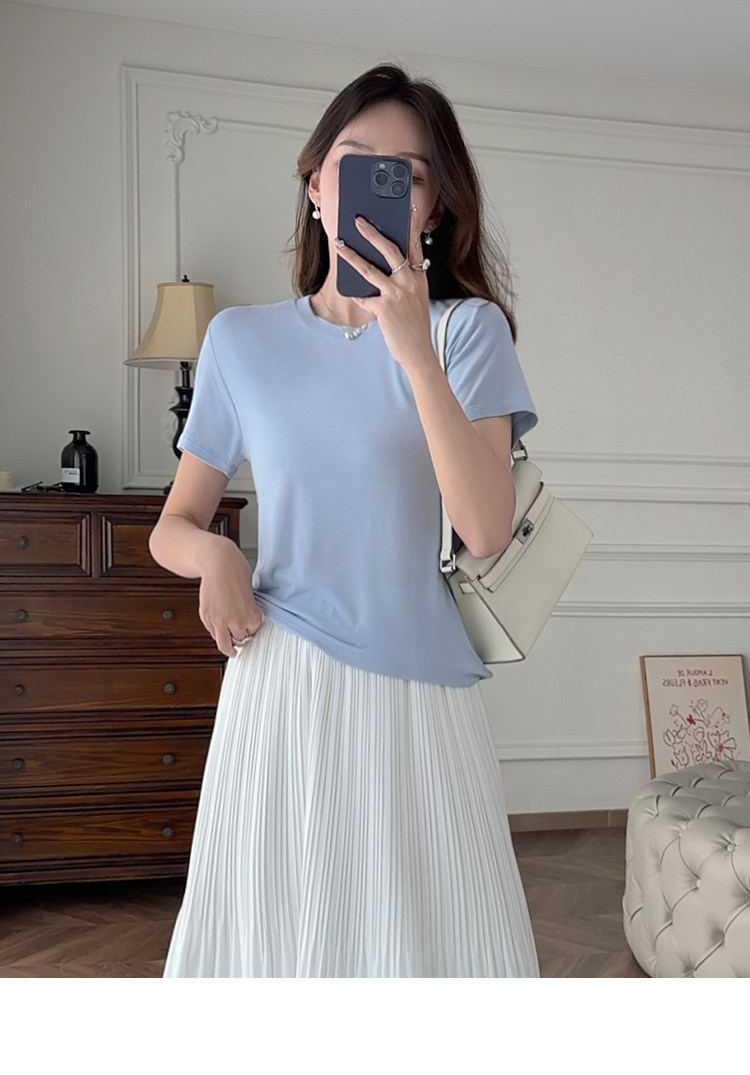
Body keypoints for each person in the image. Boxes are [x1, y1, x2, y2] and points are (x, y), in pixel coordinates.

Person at [151, 63, 541, 978]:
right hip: (280, 684)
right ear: (317, 183)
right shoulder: (239, 340)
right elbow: (175, 523)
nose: (382, 185)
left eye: (408, 173)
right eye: (357, 161)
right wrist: (217, 557)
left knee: (436, 954)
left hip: (420, 696)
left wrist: (414, 351)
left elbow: (487, 528)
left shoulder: (468, 331)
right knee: (275, 949)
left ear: (432, 208)